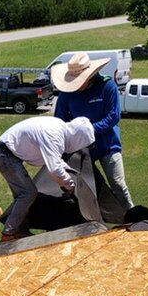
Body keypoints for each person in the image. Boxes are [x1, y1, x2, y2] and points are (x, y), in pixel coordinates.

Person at [52, 52, 134, 215]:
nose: (76, 85)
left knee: (117, 183)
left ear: (90, 76)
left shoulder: (107, 86)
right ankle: (93, 220)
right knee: (81, 186)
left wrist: (87, 130)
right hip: (80, 148)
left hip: (107, 144)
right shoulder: (66, 93)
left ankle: (132, 215)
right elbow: (59, 121)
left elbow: (113, 117)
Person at [0, 115, 94, 241]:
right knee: (27, 193)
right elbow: (54, 169)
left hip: (7, 152)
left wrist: (70, 173)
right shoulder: (54, 136)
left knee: (22, 195)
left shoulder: (59, 128)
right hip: (5, 154)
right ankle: (8, 234)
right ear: (78, 138)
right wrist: (70, 185)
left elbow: (57, 161)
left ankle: (20, 230)